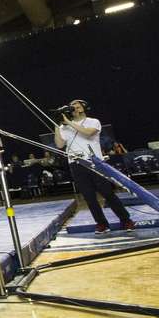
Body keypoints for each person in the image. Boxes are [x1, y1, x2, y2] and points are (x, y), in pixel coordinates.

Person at [54, 100, 135, 234]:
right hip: (76, 164)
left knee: (107, 193)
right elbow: (59, 144)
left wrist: (69, 122)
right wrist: (57, 125)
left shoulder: (93, 121)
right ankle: (101, 224)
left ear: (84, 108)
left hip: (94, 162)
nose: (74, 108)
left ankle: (126, 220)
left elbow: (88, 133)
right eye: (71, 107)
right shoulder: (64, 127)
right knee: (89, 197)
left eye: (77, 106)